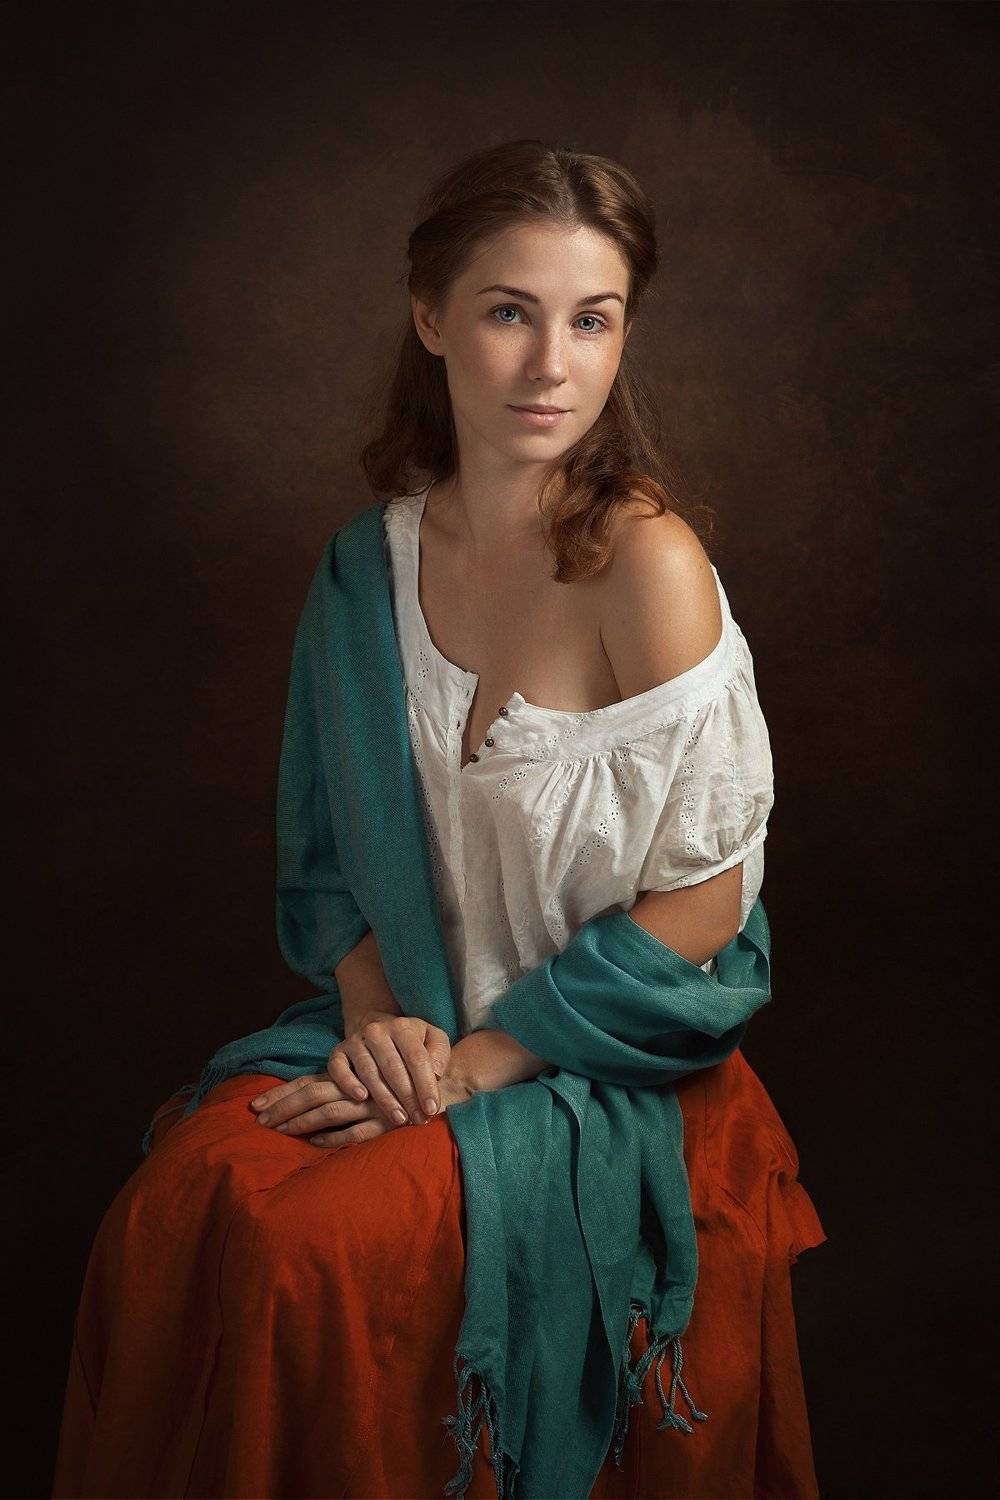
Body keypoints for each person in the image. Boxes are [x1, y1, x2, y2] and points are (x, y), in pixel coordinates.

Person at [53, 138, 827, 1499]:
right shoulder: (365, 571)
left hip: (590, 1057)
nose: (551, 366)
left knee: (305, 1251)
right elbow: (328, 869)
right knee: (176, 1202)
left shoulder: (649, 564)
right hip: (406, 1021)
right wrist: (382, 1028)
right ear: (430, 317)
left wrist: (472, 1067)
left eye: (593, 320)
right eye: (509, 311)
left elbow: (711, 900)